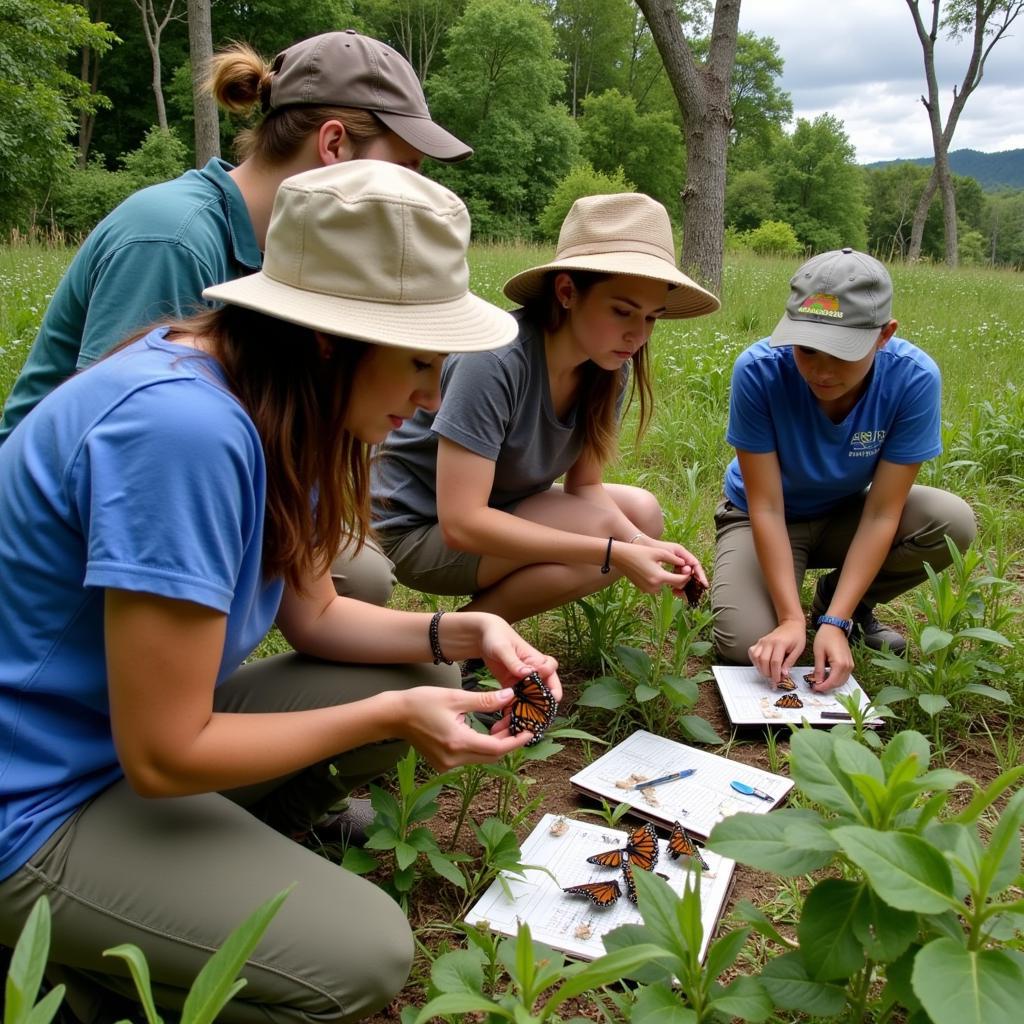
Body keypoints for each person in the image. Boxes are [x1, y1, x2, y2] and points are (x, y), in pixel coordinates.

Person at [0, 161, 559, 1024]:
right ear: (328, 339)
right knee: (362, 957)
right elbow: (165, 754)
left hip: (113, 746)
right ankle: (78, 979)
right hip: (36, 798)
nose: (430, 397)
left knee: (422, 677)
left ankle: (215, 871)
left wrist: (464, 629)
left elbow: (318, 615)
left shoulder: (276, 397)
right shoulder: (183, 432)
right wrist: (387, 719)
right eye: (417, 361)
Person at [0, 28, 472, 602]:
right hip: (76, 535)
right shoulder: (172, 238)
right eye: (408, 166)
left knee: (350, 567)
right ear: (334, 144)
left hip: (203, 473)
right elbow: (131, 454)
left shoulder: (306, 260)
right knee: (355, 574)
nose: (414, 188)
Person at [371, 192, 719, 628]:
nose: (638, 335)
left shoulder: (608, 367)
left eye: (651, 317)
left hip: (503, 506)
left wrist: (638, 542)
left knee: (642, 514)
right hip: (420, 531)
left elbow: (586, 487)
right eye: (622, 311)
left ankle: (475, 628)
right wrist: (615, 552)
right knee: (603, 538)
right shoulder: (493, 360)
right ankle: (456, 639)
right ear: (568, 291)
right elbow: (461, 522)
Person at [711, 247, 976, 691]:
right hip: (762, 517)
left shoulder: (913, 379)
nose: (822, 370)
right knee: (746, 646)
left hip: (847, 514)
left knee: (950, 521)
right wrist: (789, 619)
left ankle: (838, 604)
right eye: (808, 349)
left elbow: (881, 513)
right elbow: (767, 506)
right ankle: (798, 611)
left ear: (884, 335)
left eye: (843, 352)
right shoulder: (758, 372)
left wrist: (835, 620)